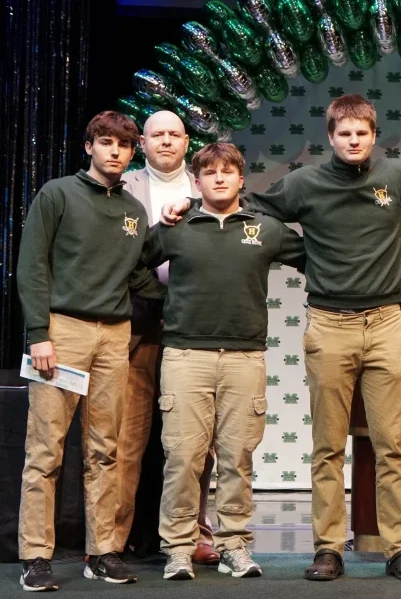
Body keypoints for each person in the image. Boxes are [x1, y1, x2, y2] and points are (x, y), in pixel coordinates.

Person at [161, 94, 401, 583]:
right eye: (344, 134)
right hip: (329, 325)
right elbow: (240, 201)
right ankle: (328, 548)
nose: (353, 141)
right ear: (331, 137)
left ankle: (399, 548)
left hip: (385, 323)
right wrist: (186, 201)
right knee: (327, 447)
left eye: (362, 133)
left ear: (374, 136)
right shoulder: (303, 183)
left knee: (391, 445)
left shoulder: (399, 176)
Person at [139, 142, 305, 580]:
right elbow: (135, 263)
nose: (218, 178)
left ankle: (234, 544)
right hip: (185, 355)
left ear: (241, 179)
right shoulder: (176, 225)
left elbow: (317, 259)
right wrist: (165, 300)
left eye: (227, 171)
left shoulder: (266, 228)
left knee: (237, 456)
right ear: (196, 182)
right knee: (184, 457)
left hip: (245, 356)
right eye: (209, 172)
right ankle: (178, 547)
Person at [16, 111, 162, 591]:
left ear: (132, 151)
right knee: (46, 449)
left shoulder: (135, 213)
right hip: (64, 330)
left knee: (106, 450)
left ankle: (101, 552)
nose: (115, 151)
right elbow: (32, 265)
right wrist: (39, 332)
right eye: (105, 142)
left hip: (115, 336)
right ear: (89, 147)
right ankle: (36, 556)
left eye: (123, 144)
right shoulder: (57, 194)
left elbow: (139, 277)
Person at [116, 110, 219, 566]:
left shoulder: (206, 184)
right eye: (157, 134)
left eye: (174, 135)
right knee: (128, 437)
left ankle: (195, 532)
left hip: (192, 323)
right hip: (137, 322)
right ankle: (113, 538)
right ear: (142, 142)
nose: (166, 142)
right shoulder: (124, 186)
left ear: (186, 141)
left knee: (197, 441)